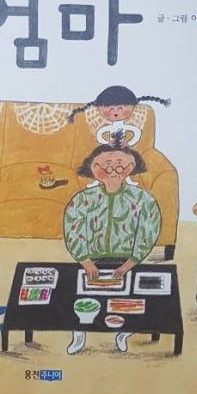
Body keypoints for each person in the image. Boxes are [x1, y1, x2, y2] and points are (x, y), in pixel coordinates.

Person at [62, 133, 162, 355]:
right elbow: (73, 229)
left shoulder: (143, 199)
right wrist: (84, 260)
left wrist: (132, 261)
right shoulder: (82, 199)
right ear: (93, 168)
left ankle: (124, 333)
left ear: (131, 167)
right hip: (91, 259)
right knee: (82, 298)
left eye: (119, 164)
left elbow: (148, 230)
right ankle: (79, 333)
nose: (113, 170)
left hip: (128, 260)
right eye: (106, 165)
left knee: (129, 301)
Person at [65, 85, 170, 151]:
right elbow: (100, 134)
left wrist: (128, 143)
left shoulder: (129, 126)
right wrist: (107, 143)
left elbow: (136, 132)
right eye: (110, 109)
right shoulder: (107, 127)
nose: (115, 113)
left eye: (120, 109)